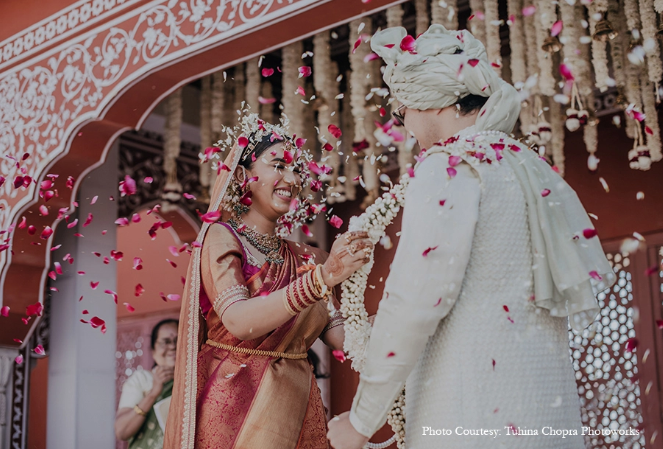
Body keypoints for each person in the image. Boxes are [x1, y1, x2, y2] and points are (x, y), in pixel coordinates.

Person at [327, 25, 616, 449]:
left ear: (430, 98)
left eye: (400, 109)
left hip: (474, 414)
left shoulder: (448, 166)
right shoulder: (528, 166)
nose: (403, 123)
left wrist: (361, 420)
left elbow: (416, 298)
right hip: (543, 414)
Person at [164, 111, 374, 449]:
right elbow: (240, 321)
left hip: (296, 409)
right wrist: (322, 278)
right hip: (233, 411)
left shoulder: (310, 257)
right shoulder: (221, 237)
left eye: (296, 169)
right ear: (244, 176)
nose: (291, 178)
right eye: (278, 164)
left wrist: (410, 307)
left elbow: (344, 337)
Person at [116, 319, 179, 449]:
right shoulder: (142, 379)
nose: (173, 346)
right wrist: (153, 393)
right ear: (153, 351)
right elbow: (121, 431)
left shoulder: (195, 381)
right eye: (165, 342)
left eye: (178, 341)